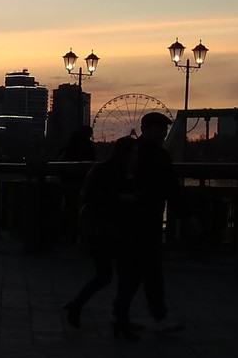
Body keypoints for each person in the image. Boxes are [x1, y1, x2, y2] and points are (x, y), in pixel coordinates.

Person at [111, 111, 186, 338]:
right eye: (160, 129)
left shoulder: (150, 154)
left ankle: (122, 316)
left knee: (136, 272)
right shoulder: (142, 155)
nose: (163, 133)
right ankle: (154, 316)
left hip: (143, 219)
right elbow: (170, 188)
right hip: (137, 220)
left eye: (164, 129)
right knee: (146, 271)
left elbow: (171, 188)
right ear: (146, 129)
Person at [62, 136, 137, 330]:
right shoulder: (116, 173)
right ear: (126, 154)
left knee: (105, 276)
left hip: (103, 230)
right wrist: (124, 199)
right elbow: (98, 198)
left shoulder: (105, 170)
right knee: (119, 276)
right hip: (108, 230)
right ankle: (119, 317)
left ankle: (79, 306)